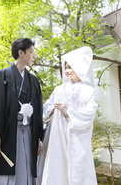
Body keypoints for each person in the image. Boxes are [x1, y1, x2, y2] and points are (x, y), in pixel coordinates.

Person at [0, 38, 43, 185]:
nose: (34, 56)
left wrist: (38, 138)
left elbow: (38, 110)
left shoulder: (33, 81)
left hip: (29, 132)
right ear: (21, 53)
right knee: (7, 168)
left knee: (27, 166)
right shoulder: (1, 76)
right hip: (7, 132)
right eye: (31, 52)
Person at [37, 46, 98, 185]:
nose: (67, 71)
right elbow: (45, 108)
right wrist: (53, 109)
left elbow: (90, 113)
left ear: (80, 68)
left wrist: (67, 112)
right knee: (57, 168)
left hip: (77, 138)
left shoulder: (88, 91)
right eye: (66, 67)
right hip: (57, 137)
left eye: (71, 67)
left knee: (77, 169)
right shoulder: (59, 89)